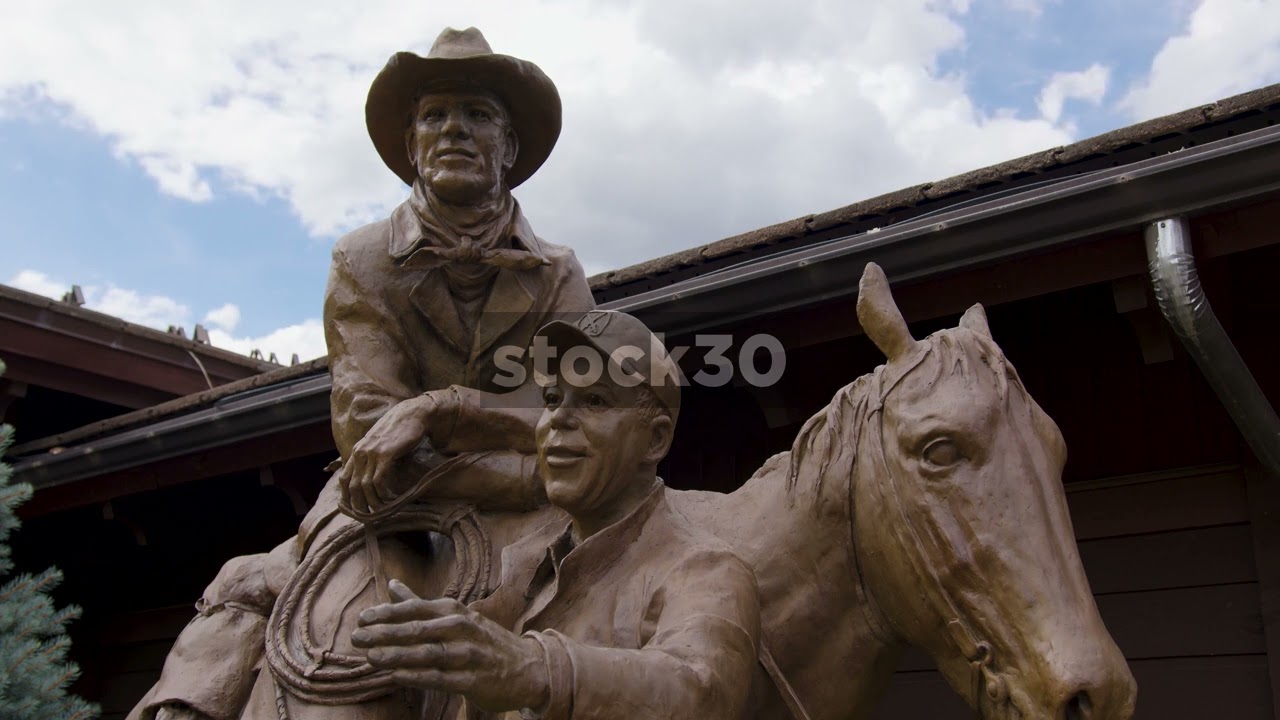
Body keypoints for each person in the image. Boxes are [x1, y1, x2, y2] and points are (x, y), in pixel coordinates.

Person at [132, 27, 595, 720]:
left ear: (510, 147)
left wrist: (442, 410)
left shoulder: (559, 271)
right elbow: (370, 432)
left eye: (477, 115)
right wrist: (525, 454)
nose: (453, 132)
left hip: (538, 507)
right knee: (347, 651)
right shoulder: (365, 258)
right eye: (434, 117)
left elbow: (584, 414)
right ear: (411, 146)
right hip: (392, 507)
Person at [352, 311, 762, 720]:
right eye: (551, 399)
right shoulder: (525, 571)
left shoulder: (705, 570)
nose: (559, 418)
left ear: (655, 439)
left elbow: (699, 692)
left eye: (595, 400)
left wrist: (532, 669)